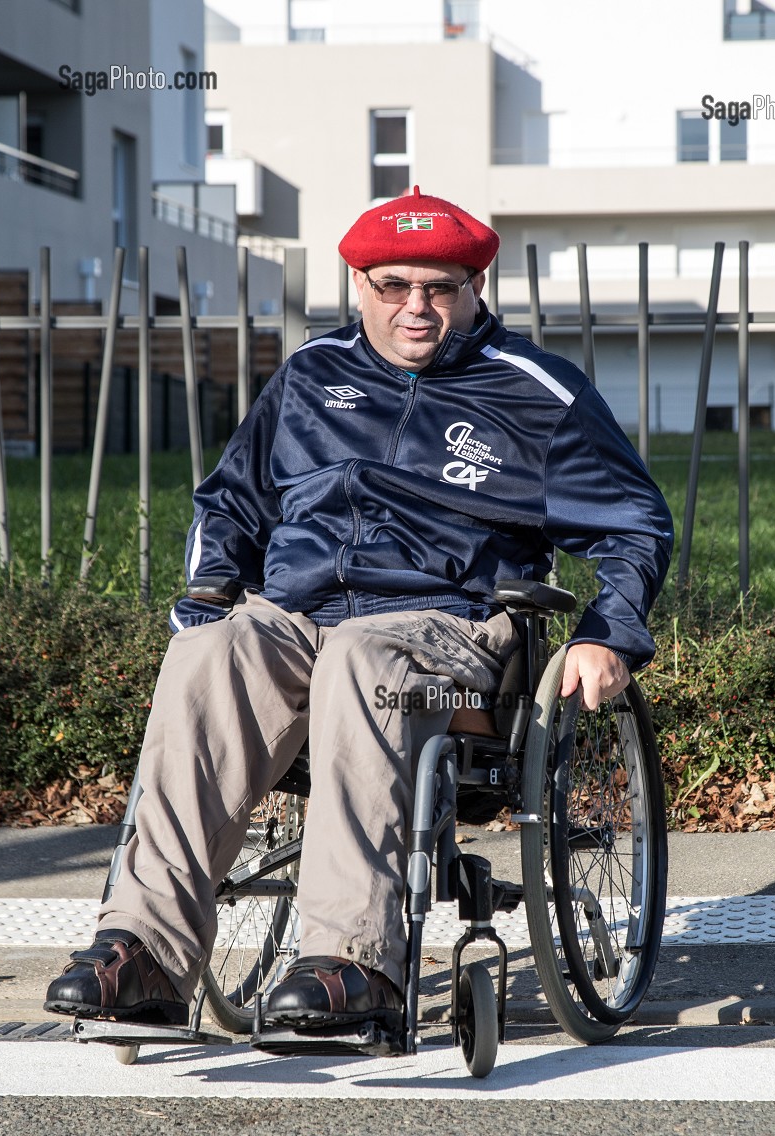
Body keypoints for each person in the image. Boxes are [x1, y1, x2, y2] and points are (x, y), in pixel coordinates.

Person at [45, 186, 674, 1034]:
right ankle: (145, 954)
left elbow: (634, 522)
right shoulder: (310, 376)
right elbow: (230, 503)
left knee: (362, 660)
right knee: (206, 656)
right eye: (393, 287)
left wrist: (608, 631)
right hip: (298, 617)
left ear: (473, 288)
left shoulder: (536, 395)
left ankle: (354, 963)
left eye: (440, 289)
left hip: (446, 637)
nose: (417, 308)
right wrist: (207, 597)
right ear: (359, 286)